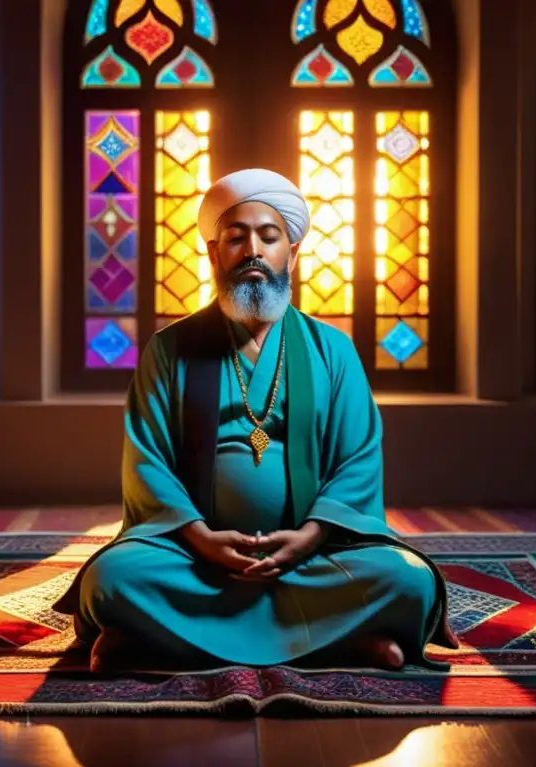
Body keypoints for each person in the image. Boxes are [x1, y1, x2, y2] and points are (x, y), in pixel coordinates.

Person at [52, 168, 456, 671]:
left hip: (312, 556)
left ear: (292, 252)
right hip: (194, 558)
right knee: (112, 578)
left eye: (270, 237)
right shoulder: (170, 350)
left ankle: (151, 641)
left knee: (408, 579)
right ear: (213, 253)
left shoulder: (332, 350)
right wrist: (202, 539)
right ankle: (347, 642)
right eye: (236, 239)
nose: (253, 252)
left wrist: (307, 537)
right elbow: (147, 461)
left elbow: (358, 458)